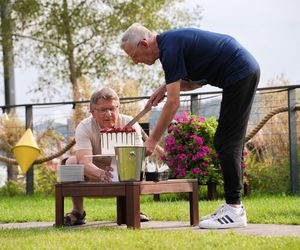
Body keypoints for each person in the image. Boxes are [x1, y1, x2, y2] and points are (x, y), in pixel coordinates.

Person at [120, 23, 260, 229]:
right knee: (229, 142)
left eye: (134, 55)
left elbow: (173, 103)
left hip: (240, 72)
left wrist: (152, 140)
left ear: (144, 43)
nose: (135, 62)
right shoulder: (170, 45)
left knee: (226, 142)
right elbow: (194, 83)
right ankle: (234, 205)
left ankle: (234, 208)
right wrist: (165, 88)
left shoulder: (169, 48)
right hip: (242, 71)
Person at [64, 87, 149, 226]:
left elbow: (137, 159)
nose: (108, 114)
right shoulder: (84, 127)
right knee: (72, 162)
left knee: (138, 164)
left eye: (112, 109)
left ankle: (132, 209)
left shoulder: (132, 124)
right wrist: (100, 173)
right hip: (94, 169)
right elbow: (84, 161)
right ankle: (78, 212)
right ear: (92, 112)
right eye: (102, 110)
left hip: (124, 166)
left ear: (118, 108)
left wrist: (120, 169)